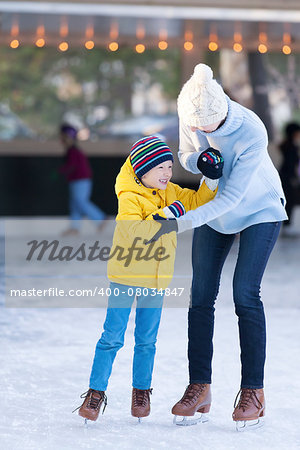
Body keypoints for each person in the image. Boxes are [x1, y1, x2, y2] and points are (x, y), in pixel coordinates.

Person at [150, 64, 288, 430]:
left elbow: (232, 200)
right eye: (196, 125)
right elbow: (185, 154)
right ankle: (200, 386)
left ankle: (253, 392)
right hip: (213, 206)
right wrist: (200, 161)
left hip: (258, 209)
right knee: (200, 295)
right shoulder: (189, 112)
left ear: (222, 111)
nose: (200, 130)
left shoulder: (251, 130)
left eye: (206, 127)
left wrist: (177, 224)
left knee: (245, 293)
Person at [73, 135, 223, 423]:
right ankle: (95, 393)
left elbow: (200, 199)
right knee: (112, 337)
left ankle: (141, 392)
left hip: (156, 278)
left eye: (169, 167)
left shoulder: (171, 191)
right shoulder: (129, 195)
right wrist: (166, 214)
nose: (168, 173)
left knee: (146, 340)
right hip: (126, 276)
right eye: (161, 169)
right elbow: (135, 233)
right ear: (143, 170)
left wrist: (211, 177)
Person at [58, 123, 106, 235]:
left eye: (63, 137)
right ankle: (75, 227)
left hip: (81, 180)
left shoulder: (74, 151)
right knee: (74, 204)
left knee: (80, 201)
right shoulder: (71, 151)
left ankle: (100, 219)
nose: (61, 139)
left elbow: (72, 165)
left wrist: (60, 171)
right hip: (76, 180)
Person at [279, 122, 300, 230]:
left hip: (284, 176)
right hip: (288, 177)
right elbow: (291, 165)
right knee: (290, 201)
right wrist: (294, 178)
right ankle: (287, 224)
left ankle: (287, 224)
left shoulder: (286, 145)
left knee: (288, 200)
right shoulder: (291, 147)